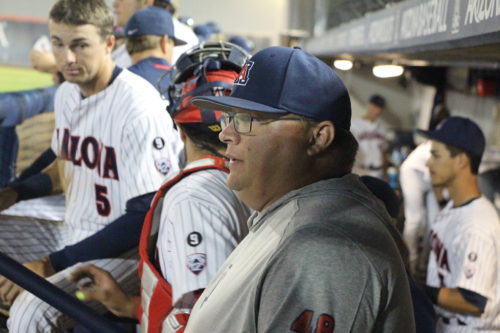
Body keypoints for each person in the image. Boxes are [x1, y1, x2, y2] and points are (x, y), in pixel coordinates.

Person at [184, 46, 415, 332]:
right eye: (229, 117)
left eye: (248, 119)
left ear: (318, 138)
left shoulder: (326, 246)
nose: (227, 134)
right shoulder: (296, 213)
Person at [0, 0, 182, 331]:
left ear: (110, 43)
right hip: (74, 233)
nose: (67, 57)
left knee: (30, 311)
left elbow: (147, 213)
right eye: (58, 43)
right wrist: (15, 193)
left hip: (127, 253)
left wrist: (50, 264)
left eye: (80, 45)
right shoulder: (68, 93)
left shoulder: (138, 106)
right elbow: (63, 166)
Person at [68, 41, 252, 333]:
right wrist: (128, 306)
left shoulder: (193, 198)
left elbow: (208, 323)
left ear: (178, 127)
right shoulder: (255, 181)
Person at [419, 116, 500, 332]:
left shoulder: (477, 225)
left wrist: (415, 289)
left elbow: (473, 301)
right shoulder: (455, 207)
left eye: (436, 155)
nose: (428, 163)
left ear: (461, 161)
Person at [125, 6, 185, 88]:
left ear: (127, 45)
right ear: (164, 42)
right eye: (172, 44)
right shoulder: (182, 81)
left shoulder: (119, 80)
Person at [351, 94, 388, 179]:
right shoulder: (354, 126)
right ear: (368, 105)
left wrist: (386, 173)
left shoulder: (382, 128)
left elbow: (384, 152)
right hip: (359, 170)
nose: (377, 110)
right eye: (375, 106)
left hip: (377, 172)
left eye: (380, 107)